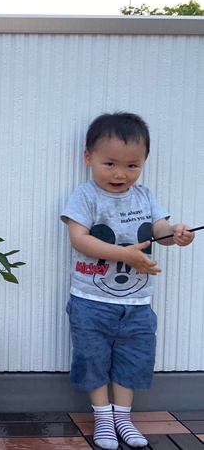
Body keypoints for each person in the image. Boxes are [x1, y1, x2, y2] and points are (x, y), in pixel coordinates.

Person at [61, 112, 195, 450]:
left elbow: (160, 232)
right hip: (91, 301)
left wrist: (176, 233)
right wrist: (124, 255)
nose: (121, 173)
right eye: (110, 163)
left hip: (137, 305)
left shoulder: (145, 197)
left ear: (144, 162)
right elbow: (80, 239)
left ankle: (123, 417)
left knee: (133, 360)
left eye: (132, 166)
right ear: (88, 158)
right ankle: (103, 418)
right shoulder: (85, 196)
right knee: (92, 359)